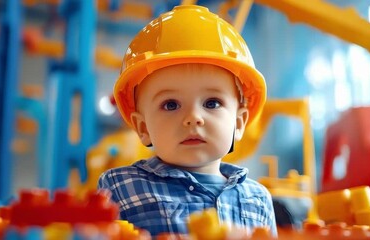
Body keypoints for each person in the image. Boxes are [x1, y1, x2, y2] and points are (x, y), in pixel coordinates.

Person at [98, 5, 277, 237]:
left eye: (212, 103)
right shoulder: (121, 186)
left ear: (239, 122)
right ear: (143, 128)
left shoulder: (258, 199)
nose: (193, 118)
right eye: (170, 104)